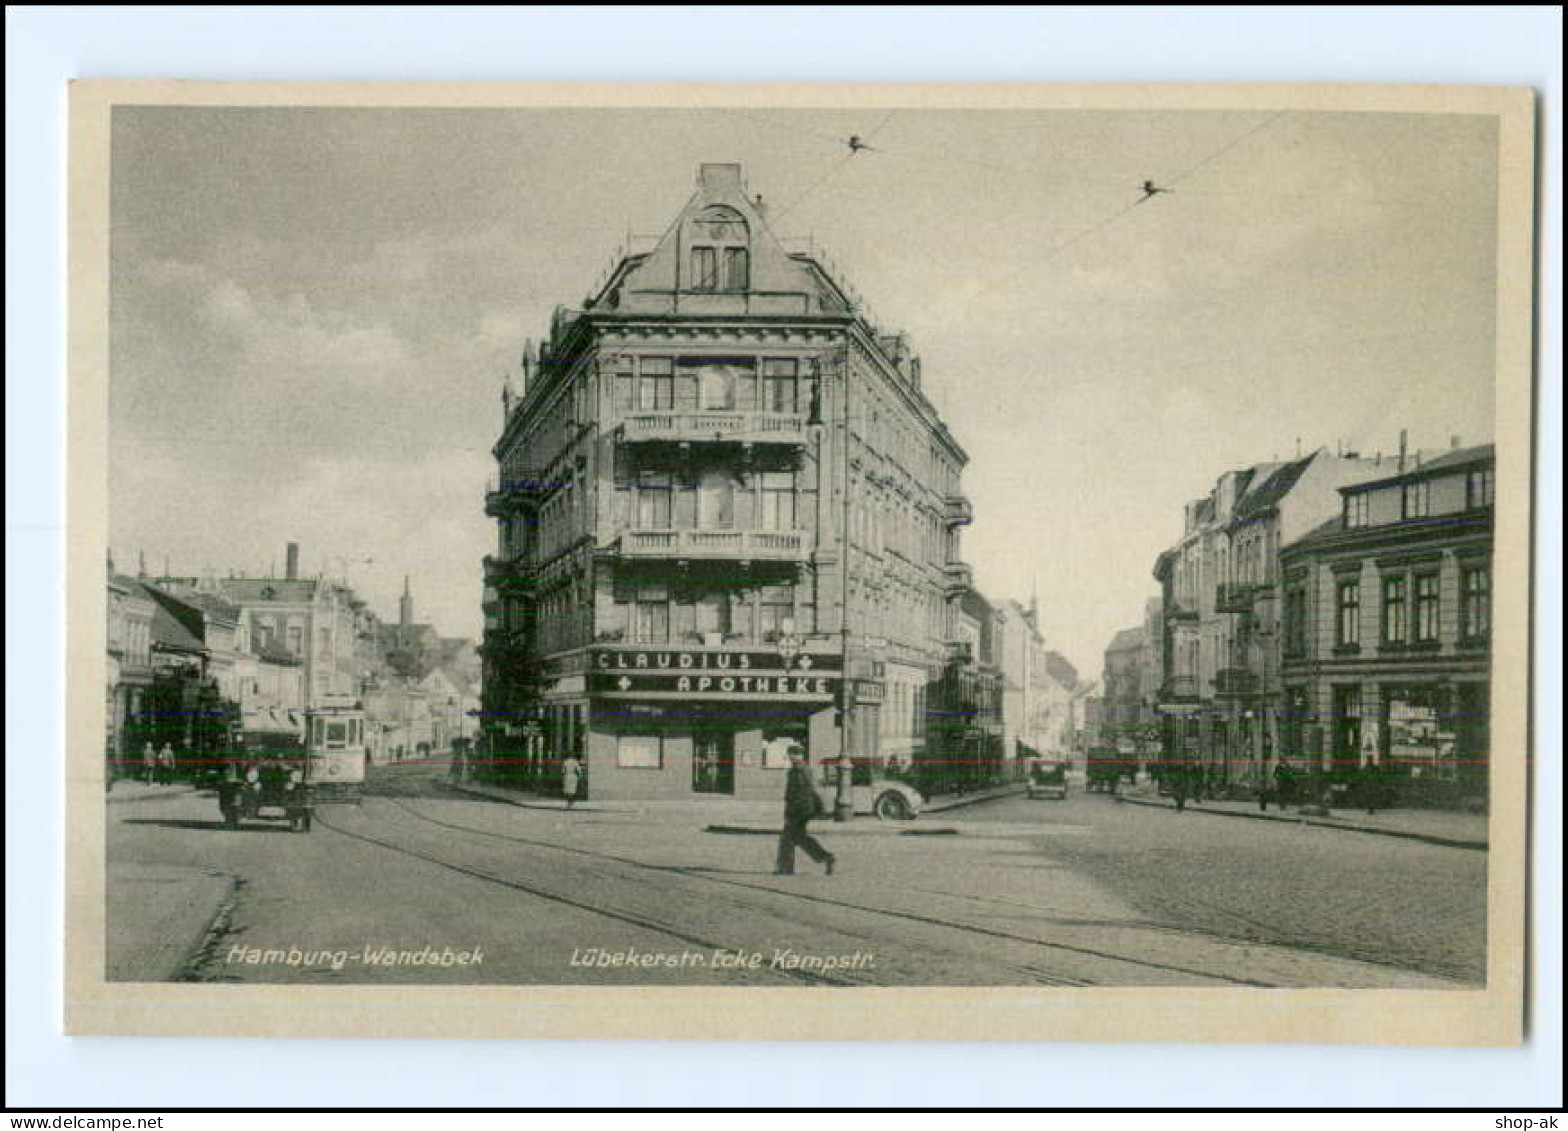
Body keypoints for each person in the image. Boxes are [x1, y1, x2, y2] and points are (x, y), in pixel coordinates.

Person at [775, 746, 836, 876]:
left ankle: (785, 868)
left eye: (791, 754)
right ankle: (826, 857)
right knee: (800, 838)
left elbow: (802, 791)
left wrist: (792, 810)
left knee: (787, 837)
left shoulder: (799, 770)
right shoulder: (803, 769)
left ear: (797, 755)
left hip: (799, 810)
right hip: (803, 809)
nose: (790, 757)